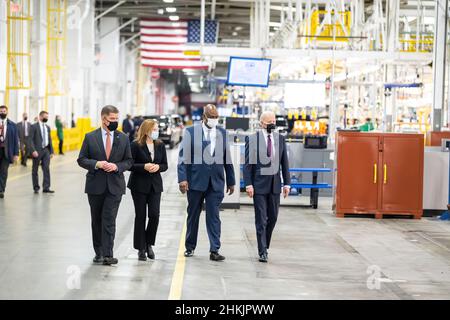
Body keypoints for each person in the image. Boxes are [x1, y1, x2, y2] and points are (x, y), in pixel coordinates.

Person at [177, 104, 235, 261]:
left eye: (216, 117)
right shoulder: (191, 132)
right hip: (195, 181)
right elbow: (183, 157)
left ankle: (214, 249)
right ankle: (190, 247)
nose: (214, 120)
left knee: (214, 216)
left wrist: (231, 181)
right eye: (211, 117)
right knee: (193, 215)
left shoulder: (222, 132)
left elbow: (227, 158)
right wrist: (182, 179)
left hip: (215, 183)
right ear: (204, 117)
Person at [77, 105, 133, 266]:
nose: (115, 122)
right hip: (95, 185)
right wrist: (97, 164)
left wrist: (117, 167)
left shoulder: (123, 138)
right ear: (103, 119)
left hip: (115, 185)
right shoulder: (90, 137)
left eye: (117, 119)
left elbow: (129, 160)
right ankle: (99, 252)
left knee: (109, 219)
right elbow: (81, 159)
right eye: (112, 119)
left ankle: (108, 254)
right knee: (96, 219)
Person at [243, 111, 291, 263]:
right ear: (262, 123)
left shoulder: (280, 139)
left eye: (274, 120)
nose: (272, 123)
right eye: (269, 121)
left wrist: (287, 183)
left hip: (275, 185)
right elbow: (247, 165)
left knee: (273, 218)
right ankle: (262, 251)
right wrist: (248, 184)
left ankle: (265, 244)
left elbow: (285, 163)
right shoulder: (253, 139)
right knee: (261, 220)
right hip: (258, 186)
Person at [128, 119, 168, 261]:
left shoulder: (160, 145)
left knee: (154, 215)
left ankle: (149, 243)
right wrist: (143, 166)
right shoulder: (135, 145)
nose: (157, 131)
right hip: (138, 185)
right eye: (154, 129)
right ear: (146, 130)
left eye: (157, 129)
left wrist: (158, 167)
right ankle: (141, 248)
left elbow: (165, 165)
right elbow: (129, 165)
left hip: (155, 185)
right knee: (140, 216)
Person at [29, 111, 54, 194]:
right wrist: (33, 150)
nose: (46, 118)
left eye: (47, 117)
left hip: (46, 150)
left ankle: (46, 187)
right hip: (37, 151)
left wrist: (51, 151)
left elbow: (49, 139)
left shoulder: (47, 127)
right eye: (45, 117)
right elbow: (30, 140)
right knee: (35, 169)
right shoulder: (33, 127)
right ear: (40, 117)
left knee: (46, 168)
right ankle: (36, 187)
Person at [0, 105, 19, 199]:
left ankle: (1, 190)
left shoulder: (12, 125)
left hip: (7, 152)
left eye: (4, 111)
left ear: (7, 112)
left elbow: (16, 141)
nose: (2, 112)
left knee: (3, 171)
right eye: (1, 111)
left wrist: (16, 154)